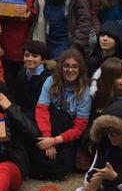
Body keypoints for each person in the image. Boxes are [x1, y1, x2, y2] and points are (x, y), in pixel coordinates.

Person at [33, 49, 93, 180]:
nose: (70, 70)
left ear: (80, 69)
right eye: (66, 66)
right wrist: (48, 138)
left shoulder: (85, 91)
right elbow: (41, 109)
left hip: (67, 133)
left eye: (74, 67)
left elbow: (79, 127)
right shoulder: (51, 81)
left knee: (60, 171)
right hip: (48, 127)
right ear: (61, 67)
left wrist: (54, 141)